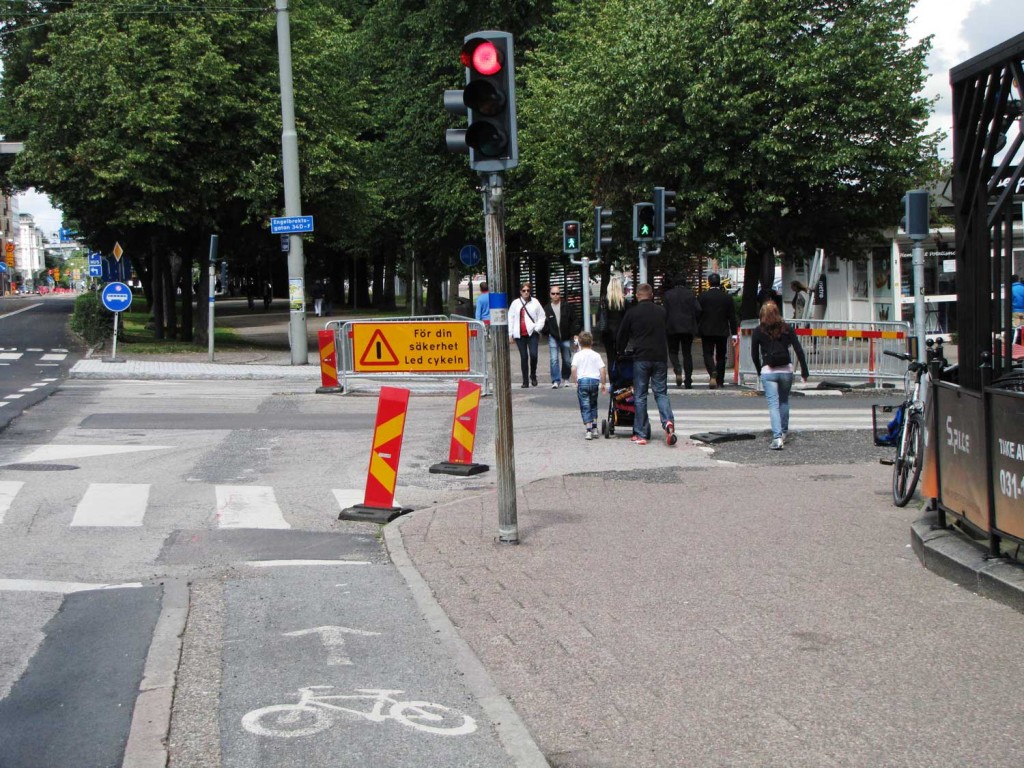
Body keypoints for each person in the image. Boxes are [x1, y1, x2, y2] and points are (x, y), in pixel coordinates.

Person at [616, 283, 676, 446]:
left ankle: (642, 434)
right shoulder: (661, 312)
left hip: (641, 357)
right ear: (651, 295)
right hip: (660, 357)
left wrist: (620, 352)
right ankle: (668, 422)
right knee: (661, 392)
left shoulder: (632, 313)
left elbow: (622, 335)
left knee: (640, 395)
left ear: (637, 295)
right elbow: (669, 330)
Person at [751, 301, 809, 450]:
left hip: (768, 371)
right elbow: (799, 350)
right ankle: (783, 432)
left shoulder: (758, 331)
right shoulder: (787, 328)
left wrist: (759, 371)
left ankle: (776, 438)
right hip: (786, 371)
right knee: (784, 401)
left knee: (773, 404)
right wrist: (804, 371)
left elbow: (754, 354)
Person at [697, 273, 737, 389]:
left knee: (707, 353)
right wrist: (734, 334)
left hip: (707, 330)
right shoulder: (727, 297)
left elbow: (698, 314)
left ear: (709, 282)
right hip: (722, 330)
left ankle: (712, 371)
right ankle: (720, 380)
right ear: (719, 282)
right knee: (721, 355)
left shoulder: (703, 297)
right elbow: (732, 317)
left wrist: (697, 328)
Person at [663, 274, 701, 388]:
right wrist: (694, 321)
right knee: (687, 353)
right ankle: (688, 380)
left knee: (673, 351)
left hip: (672, 327)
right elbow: (698, 309)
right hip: (687, 327)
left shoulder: (668, 295)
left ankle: (677, 368)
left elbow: (664, 311)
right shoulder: (690, 294)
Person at [570, 331, 609, 440]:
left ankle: (588, 429)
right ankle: (595, 428)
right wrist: (603, 383)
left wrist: (575, 380)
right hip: (594, 380)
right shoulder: (596, 355)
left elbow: (573, 368)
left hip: (583, 380)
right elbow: (602, 369)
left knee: (585, 405)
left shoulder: (578, 355)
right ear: (591, 342)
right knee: (593, 404)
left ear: (580, 343)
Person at [508, 282, 544, 388]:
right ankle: (525, 381)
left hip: (532, 333)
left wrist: (537, 328)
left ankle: (533, 375)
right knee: (524, 357)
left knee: (534, 355)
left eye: (528, 290)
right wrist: (510, 333)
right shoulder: (515, 303)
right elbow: (511, 318)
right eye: (524, 290)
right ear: (520, 292)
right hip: (520, 334)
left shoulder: (535, 302)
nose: (526, 292)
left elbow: (542, 316)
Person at [543, 285, 578, 388]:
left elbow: (574, 320)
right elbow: (542, 323)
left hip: (566, 336)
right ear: (550, 295)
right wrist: (548, 332)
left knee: (567, 359)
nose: (555, 295)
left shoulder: (566, 306)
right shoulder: (547, 308)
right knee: (554, 359)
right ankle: (555, 380)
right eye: (553, 293)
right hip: (553, 337)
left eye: (557, 293)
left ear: (560, 295)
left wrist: (574, 333)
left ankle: (566, 378)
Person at [598, 278, 628, 374]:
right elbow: (627, 317)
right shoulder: (623, 302)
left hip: (608, 332)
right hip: (621, 332)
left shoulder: (604, 302)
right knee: (621, 357)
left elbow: (600, 316)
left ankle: (612, 381)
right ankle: (620, 380)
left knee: (610, 358)